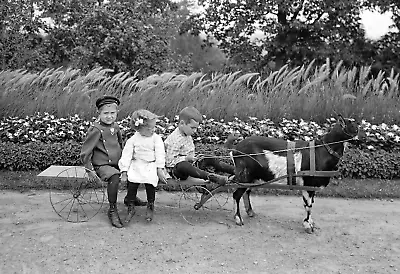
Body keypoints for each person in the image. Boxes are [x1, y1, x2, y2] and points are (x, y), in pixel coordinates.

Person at [80, 95, 144, 228]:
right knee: (114, 177)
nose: (109, 116)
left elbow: (120, 144)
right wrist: (89, 169)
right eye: (105, 113)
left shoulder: (116, 126)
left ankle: (130, 197)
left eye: (112, 113)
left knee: (134, 169)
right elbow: (86, 151)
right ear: (99, 113)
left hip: (117, 162)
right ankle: (112, 209)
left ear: (117, 113)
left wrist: (127, 160)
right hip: (102, 165)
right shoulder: (96, 130)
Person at [164, 106, 234, 188]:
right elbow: (169, 162)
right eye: (192, 128)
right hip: (177, 171)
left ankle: (235, 171)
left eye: (196, 128)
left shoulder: (186, 134)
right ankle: (210, 177)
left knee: (208, 158)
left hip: (191, 166)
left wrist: (195, 157)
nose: (195, 131)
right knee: (183, 165)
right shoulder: (174, 139)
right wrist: (186, 158)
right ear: (182, 123)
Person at [119, 109, 168, 223]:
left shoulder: (156, 138)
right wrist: (124, 171)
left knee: (150, 182)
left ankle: (150, 204)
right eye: (149, 128)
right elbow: (126, 155)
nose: (152, 130)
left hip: (151, 164)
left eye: (153, 128)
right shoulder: (133, 139)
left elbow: (160, 154)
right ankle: (131, 204)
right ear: (139, 128)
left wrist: (159, 168)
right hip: (137, 164)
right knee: (132, 181)